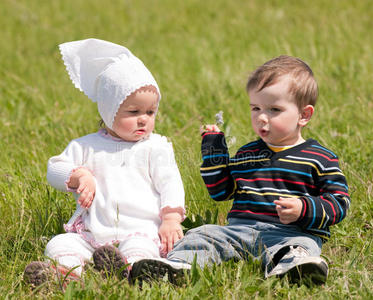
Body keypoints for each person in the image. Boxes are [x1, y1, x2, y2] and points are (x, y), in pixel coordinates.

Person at [131, 55, 350, 285]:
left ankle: (292, 268)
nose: (262, 117)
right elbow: (221, 191)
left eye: (275, 109)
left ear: (304, 115)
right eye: (256, 108)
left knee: (300, 248)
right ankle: (179, 266)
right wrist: (213, 150)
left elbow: (339, 203)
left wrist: (303, 208)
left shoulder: (320, 158)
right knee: (202, 234)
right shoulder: (247, 153)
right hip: (239, 231)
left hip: (290, 234)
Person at [23, 38, 187, 287]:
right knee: (60, 243)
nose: (143, 120)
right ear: (108, 111)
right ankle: (67, 275)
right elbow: (54, 168)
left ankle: (132, 269)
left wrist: (171, 219)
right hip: (92, 233)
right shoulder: (86, 146)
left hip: (140, 229)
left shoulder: (156, 147)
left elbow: (171, 184)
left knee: (140, 247)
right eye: (133, 112)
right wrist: (79, 176)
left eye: (150, 112)